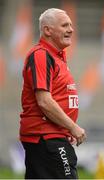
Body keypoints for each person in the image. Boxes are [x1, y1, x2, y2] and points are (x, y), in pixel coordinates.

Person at [19, 8, 86, 179]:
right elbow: (44, 101)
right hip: (47, 138)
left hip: (51, 137)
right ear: (48, 30)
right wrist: (72, 127)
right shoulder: (41, 55)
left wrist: (65, 130)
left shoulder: (57, 57)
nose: (71, 29)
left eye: (71, 25)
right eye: (64, 25)